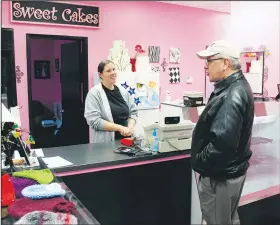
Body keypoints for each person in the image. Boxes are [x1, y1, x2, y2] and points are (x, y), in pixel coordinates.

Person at [191, 40, 254, 225]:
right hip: (229, 173)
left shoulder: (231, 94)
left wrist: (200, 162)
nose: (205, 67)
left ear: (225, 63)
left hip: (220, 178)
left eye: (210, 61)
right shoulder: (236, 87)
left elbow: (222, 145)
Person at [84, 60, 138, 143]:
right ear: (100, 75)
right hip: (104, 145)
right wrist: (120, 128)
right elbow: (94, 121)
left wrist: (129, 128)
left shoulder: (123, 91)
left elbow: (133, 112)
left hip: (126, 143)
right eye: (108, 71)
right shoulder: (94, 94)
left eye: (114, 69)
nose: (113, 73)